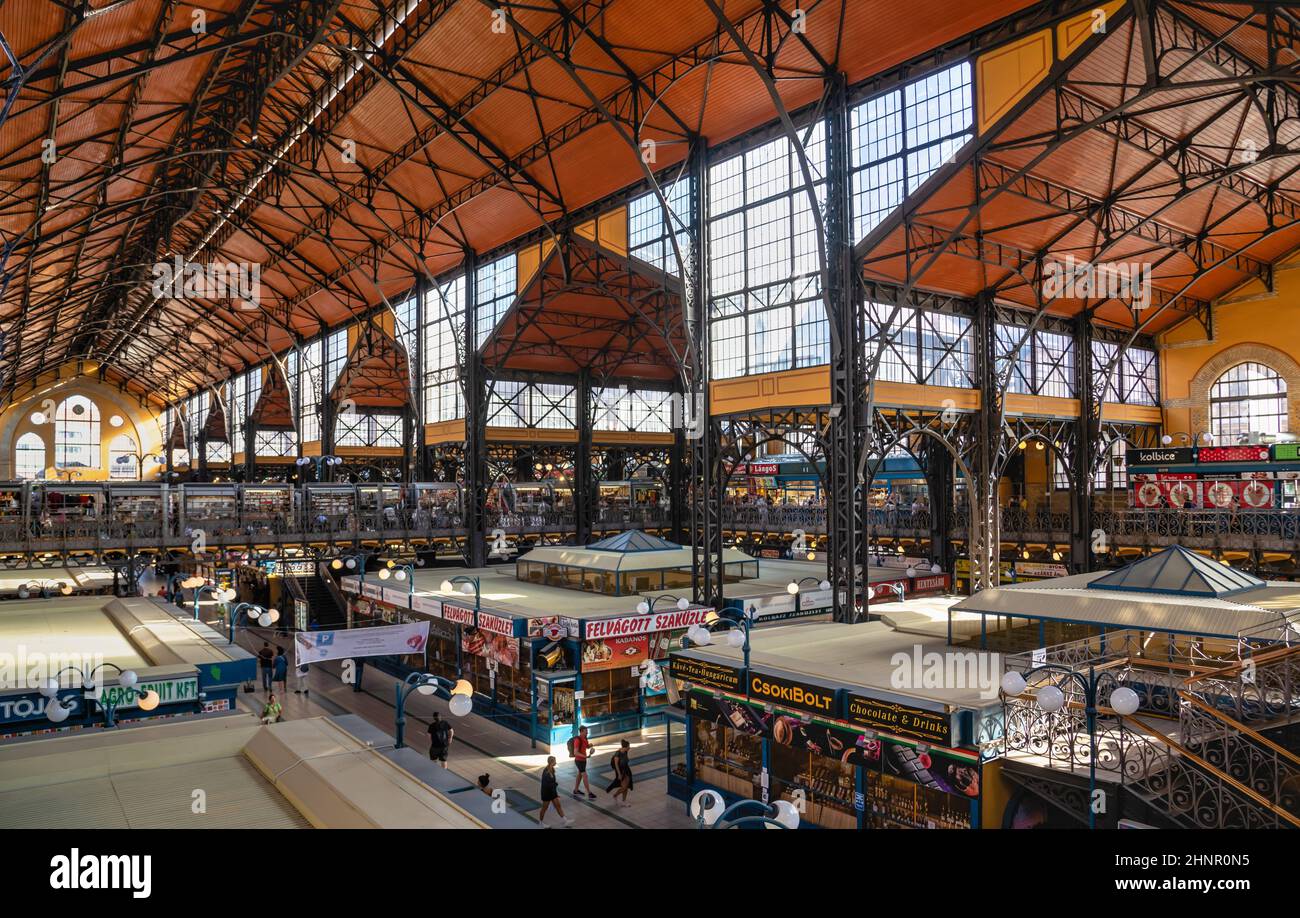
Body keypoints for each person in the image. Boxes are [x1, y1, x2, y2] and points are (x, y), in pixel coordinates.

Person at [538, 756, 572, 827]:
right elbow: (546, 785)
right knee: (544, 808)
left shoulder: (552, 769)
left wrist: (555, 793)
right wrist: (555, 784)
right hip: (546, 793)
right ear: (551, 762)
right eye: (554, 761)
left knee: (558, 805)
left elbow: (552, 783)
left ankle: (565, 820)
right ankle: (540, 822)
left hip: (552, 792)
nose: (556, 762)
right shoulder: (546, 772)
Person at [605, 739, 633, 807]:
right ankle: (615, 795)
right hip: (620, 771)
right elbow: (616, 765)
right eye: (628, 746)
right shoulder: (617, 754)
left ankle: (624, 801)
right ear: (625, 747)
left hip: (626, 770)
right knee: (624, 787)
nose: (629, 748)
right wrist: (619, 774)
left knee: (627, 786)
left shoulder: (625, 751)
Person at [571, 725, 595, 799]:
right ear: (581, 732)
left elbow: (585, 746)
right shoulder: (577, 740)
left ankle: (576, 790)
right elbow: (575, 752)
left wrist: (589, 746)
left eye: (587, 732)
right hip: (579, 760)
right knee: (585, 775)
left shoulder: (584, 738)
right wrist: (585, 756)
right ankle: (589, 793)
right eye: (586, 732)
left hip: (583, 760)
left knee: (580, 775)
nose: (587, 733)